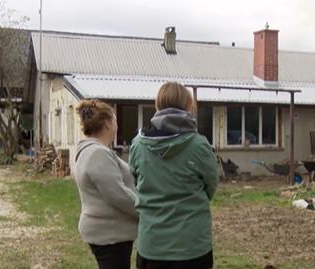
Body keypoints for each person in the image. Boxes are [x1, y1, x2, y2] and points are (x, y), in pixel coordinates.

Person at [129, 82, 219, 269]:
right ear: (189, 106)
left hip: (152, 245)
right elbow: (210, 187)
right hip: (192, 246)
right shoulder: (199, 146)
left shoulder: (137, 145)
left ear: (157, 106)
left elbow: (137, 182)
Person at [74, 99, 139, 269]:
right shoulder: (98, 154)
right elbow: (118, 194)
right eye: (116, 121)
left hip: (109, 233)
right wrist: (147, 210)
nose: (117, 126)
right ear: (108, 124)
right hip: (110, 235)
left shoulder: (91, 150)